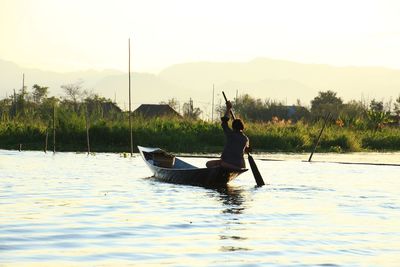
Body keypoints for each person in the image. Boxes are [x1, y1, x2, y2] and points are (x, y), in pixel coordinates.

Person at [206, 100, 249, 170]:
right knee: (218, 164)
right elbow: (247, 149)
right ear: (242, 127)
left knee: (208, 164)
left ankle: (225, 168)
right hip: (240, 165)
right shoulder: (246, 139)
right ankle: (231, 168)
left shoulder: (231, 135)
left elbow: (224, 123)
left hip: (227, 164)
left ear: (233, 127)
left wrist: (228, 109)